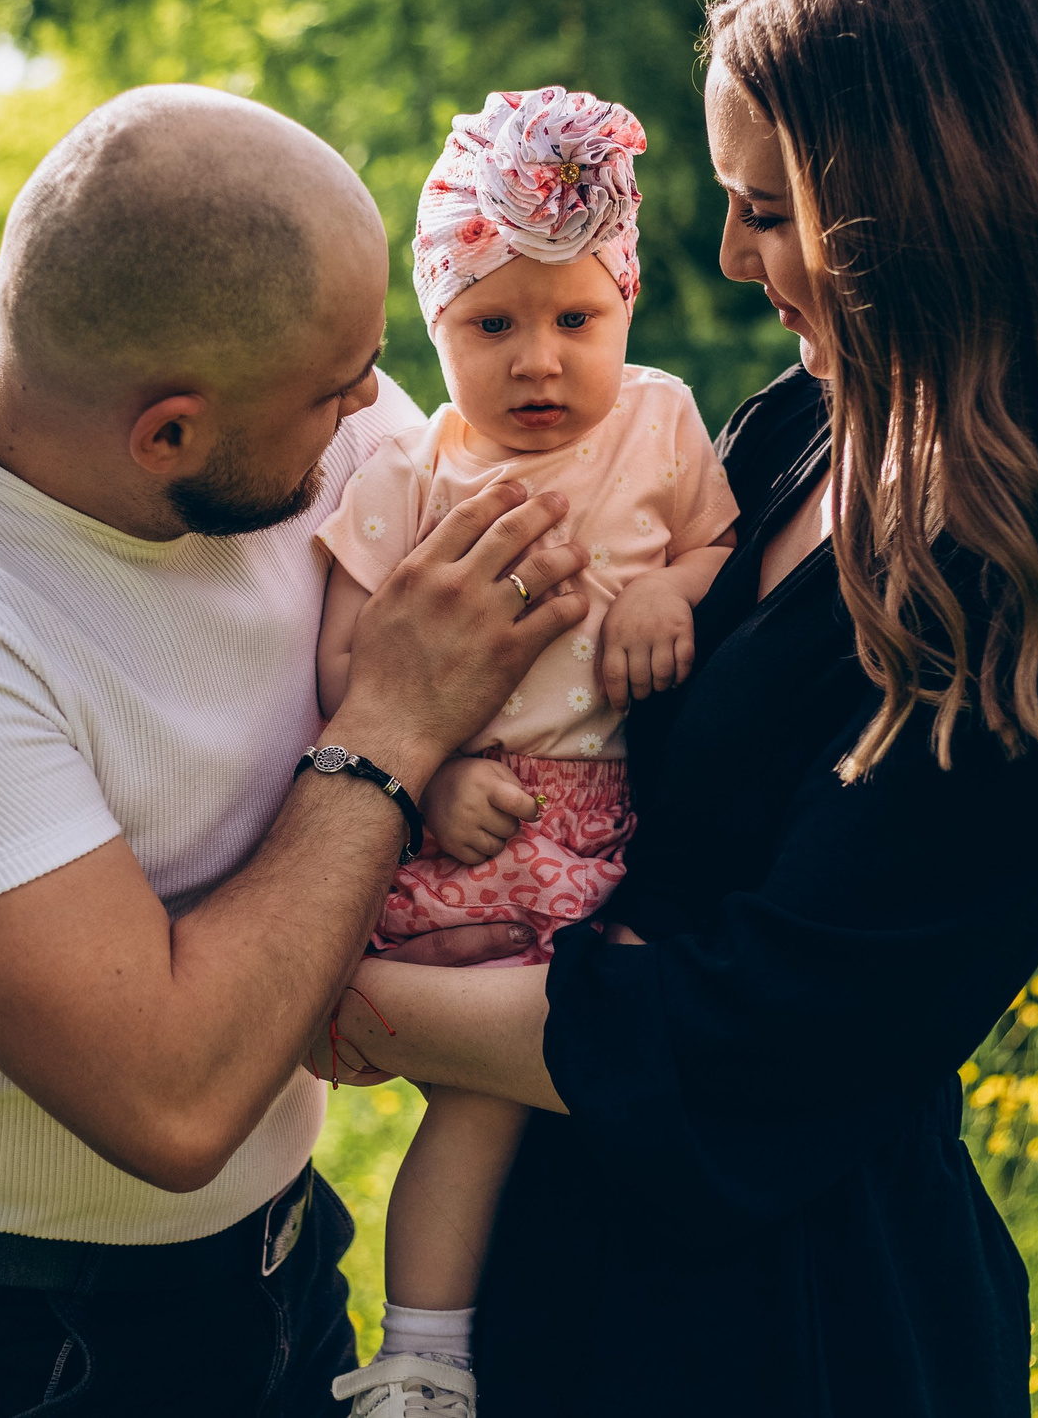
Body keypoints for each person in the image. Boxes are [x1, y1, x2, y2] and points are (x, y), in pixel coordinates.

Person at [320, 0, 1038, 1413]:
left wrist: (335, 993)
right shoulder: (803, 428)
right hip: (556, 1247)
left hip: (791, 1331)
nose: (724, 256)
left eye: (770, 209)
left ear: (937, 207)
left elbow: (761, 1042)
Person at [0, 85, 591, 1418]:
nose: (381, 407)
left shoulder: (337, 437)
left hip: (284, 1274)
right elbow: (173, 1102)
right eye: (337, 387)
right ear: (172, 433)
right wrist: (393, 728)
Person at [312, 89, 738, 1417]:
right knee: (479, 1107)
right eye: (491, 325)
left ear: (625, 306)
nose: (538, 361)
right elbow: (346, 662)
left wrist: (677, 588)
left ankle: (583, 1336)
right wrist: (432, 774)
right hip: (473, 830)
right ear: (435, 328)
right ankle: (423, 1356)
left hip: (613, 841)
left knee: (599, 1091)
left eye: (575, 320)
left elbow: (717, 543)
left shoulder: (661, 425)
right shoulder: (411, 473)